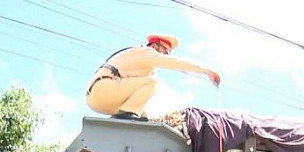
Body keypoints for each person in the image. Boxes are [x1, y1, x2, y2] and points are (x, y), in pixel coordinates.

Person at [86, 34, 221, 121]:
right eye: (165, 51)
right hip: (104, 89)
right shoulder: (146, 52)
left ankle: (124, 117)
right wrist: (204, 70)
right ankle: (125, 115)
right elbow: (175, 63)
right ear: (155, 45)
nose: (165, 55)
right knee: (151, 83)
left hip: (99, 97)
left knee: (142, 115)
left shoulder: (144, 68)